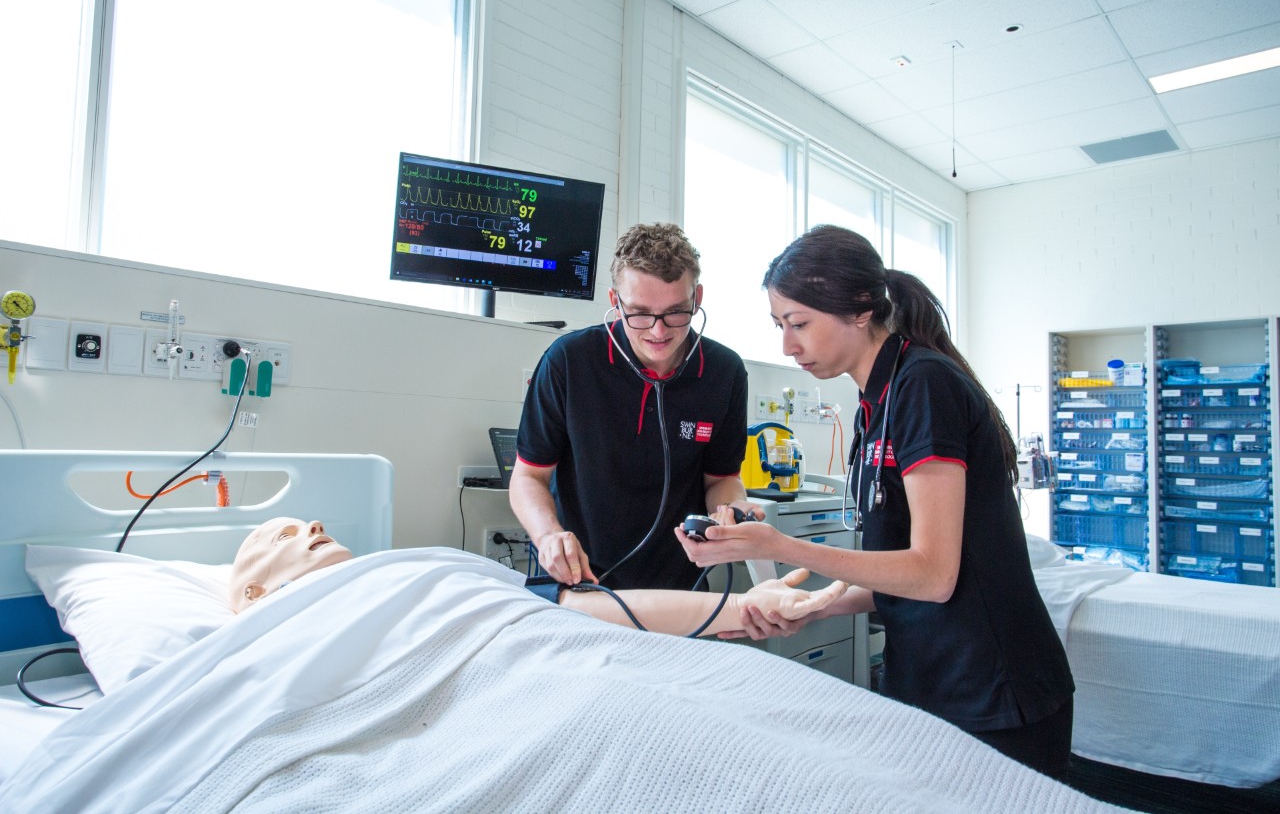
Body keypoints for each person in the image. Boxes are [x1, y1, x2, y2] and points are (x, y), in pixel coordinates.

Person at [674, 225, 1075, 780]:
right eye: (779, 326)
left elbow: (933, 573)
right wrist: (818, 606)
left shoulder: (923, 385)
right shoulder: (874, 403)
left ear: (860, 310)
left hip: (992, 689)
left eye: (799, 324)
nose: (787, 346)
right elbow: (902, 571)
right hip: (925, 678)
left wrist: (784, 547)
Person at [511, 222, 758, 590]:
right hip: (581, 582)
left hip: (678, 587)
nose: (658, 332)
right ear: (615, 302)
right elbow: (528, 477)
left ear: (698, 298)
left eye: (676, 312)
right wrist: (548, 536)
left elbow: (721, 479)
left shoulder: (725, 372)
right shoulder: (569, 362)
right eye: (640, 314)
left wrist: (732, 511)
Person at [228, 517, 847, 637]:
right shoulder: (274, 633)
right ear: (255, 596)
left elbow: (563, 612)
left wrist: (742, 609)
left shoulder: (403, 573)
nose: (310, 523)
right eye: (283, 534)